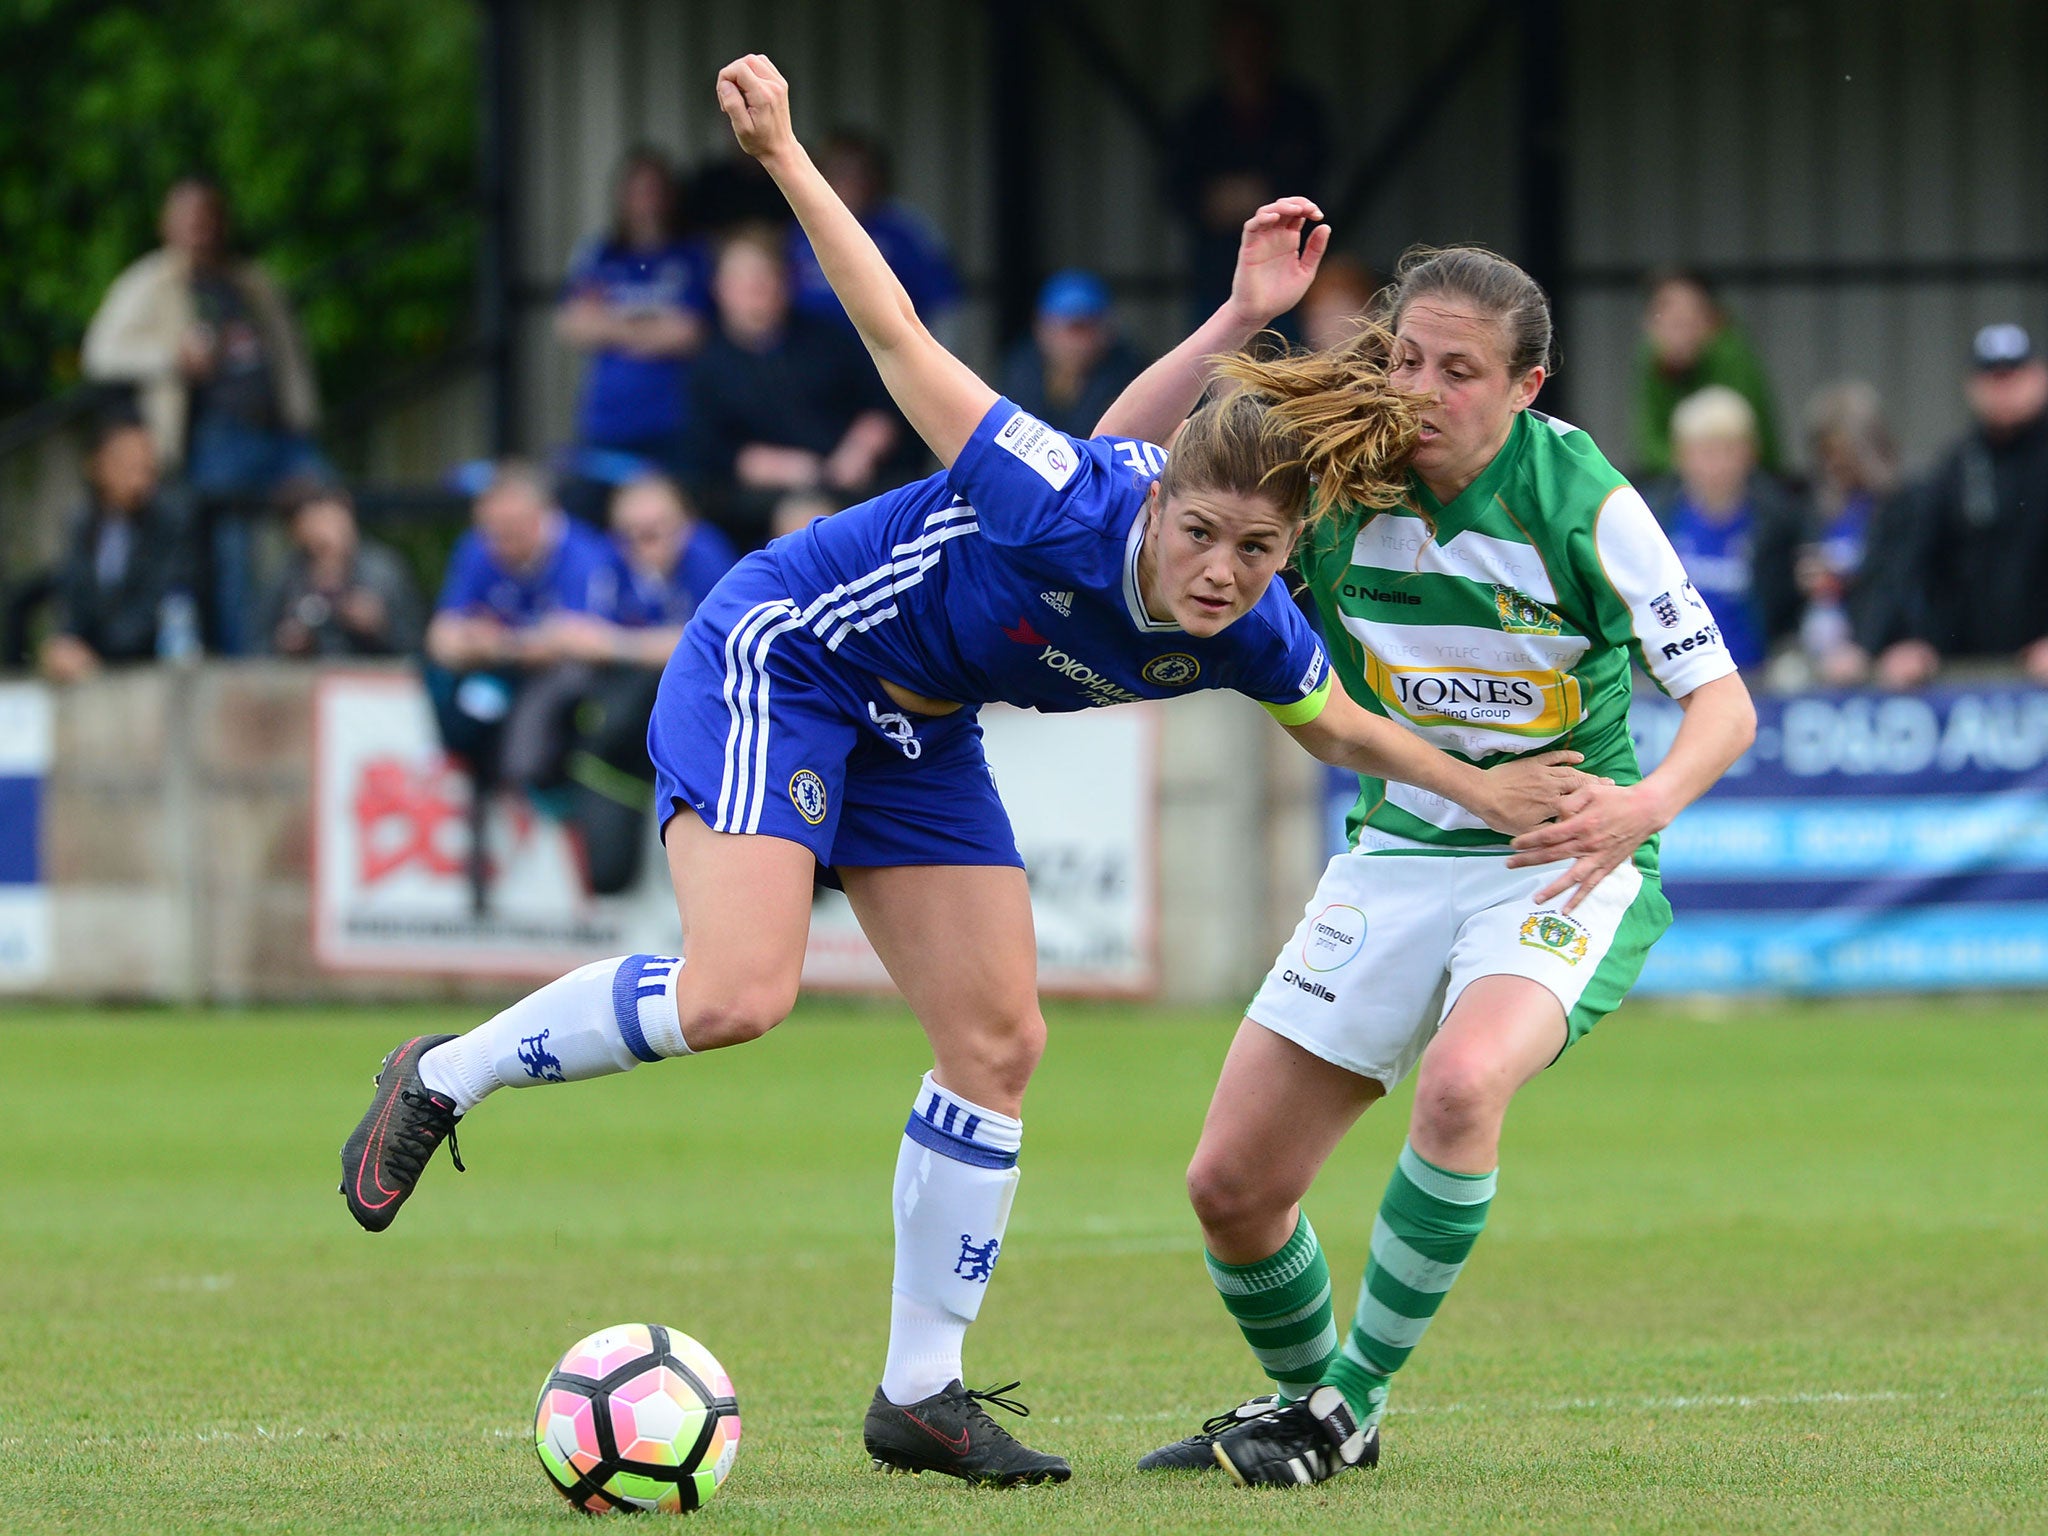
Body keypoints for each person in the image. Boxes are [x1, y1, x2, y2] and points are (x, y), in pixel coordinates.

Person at [338, 56, 1589, 1493]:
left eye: (1258, 555)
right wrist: (789, 156)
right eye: (1202, 539)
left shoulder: (1255, 626)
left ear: (1290, 552)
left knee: (999, 1043)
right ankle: (440, 1074)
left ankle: (918, 1395)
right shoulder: (1055, 495)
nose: (1221, 576)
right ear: (1162, 499)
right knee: (739, 993)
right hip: (788, 658)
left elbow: (1346, 733)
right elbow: (890, 329)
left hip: (915, 728)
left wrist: (1488, 792)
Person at [1118, 246, 1756, 1486]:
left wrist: (1640, 807)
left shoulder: (1580, 494)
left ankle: (1345, 1402)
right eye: (1404, 357)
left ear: (1527, 386)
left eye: (1458, 371)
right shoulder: (1337, 471)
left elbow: (1722, 706)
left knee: (1463, 1086)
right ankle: (1312, 1411)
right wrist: (1240, 318)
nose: (1420, 390)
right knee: (1230, 1186)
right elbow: (1133, 464)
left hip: (1558, 861)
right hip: (1400, 850)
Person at [81, 177, 329, 654]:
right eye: (188, 219)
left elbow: (288, 356)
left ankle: (334, 631)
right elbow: (101, 354)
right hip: (215, 436)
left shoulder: (251, 282)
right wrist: (172, 358)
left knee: (333, 510)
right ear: (167, 226)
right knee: (231, 549)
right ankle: (245, 655)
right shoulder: (149, 283)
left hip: (281, 436)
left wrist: (303, 416)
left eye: (208, 217)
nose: (200, 229)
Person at [552, 475, 739, 894]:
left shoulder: (708, 555)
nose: (643, 542)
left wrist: (619, 644)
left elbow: (709, 641)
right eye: (630, 533)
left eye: (656, 530)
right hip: (620, 749)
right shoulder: (607, 562)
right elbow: (570, 632)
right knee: (608, 876)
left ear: (685, 524)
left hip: (704, 735)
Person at [685, 228, 905, 547]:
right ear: (719, 289)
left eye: (764, 278)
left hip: (853, 484)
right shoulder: (707, 365)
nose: (756, 290)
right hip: (756, 506)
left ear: (785, 282)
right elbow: (705, 452)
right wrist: (779, 467)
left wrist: (860, 450)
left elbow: (884, 405)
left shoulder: (830, 340)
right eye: (743, 280)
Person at [1861, 323, 2048, 689]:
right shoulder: (1955, 468)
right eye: (1992, 378)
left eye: (2014, 376)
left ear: (2040, 377)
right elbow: (1915, 564)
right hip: (1967, 678)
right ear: (1972, 387)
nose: (2003, 388)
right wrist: (1909, 640)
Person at [423, 462, 615, 798]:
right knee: (450, 692)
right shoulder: (478, 547)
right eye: (490, 530)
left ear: (543, 518)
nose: (497, 543)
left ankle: (543, 792)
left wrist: (494, 642)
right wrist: (497, 644)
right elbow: (441, 639)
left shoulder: (585, 554)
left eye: (510, 530)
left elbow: (579, 642)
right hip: (501, 673)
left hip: (567, 685)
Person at [555, 147, 712, 520]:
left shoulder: (692, 255)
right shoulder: (599, 253)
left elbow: (690, 333)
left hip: (673, 420)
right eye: (637, 191)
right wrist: (651, 330)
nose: (646, 201)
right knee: (589, 519)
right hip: (607, 419)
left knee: (673, 519)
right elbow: (571, 325)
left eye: (655, 190)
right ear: (621, 196)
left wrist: (610, 326)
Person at [1164, 1, 1330, 332]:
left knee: (1288, 363)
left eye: (1255, 41)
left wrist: (1258, 194)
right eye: (1238, 42)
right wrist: (1215, 201)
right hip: (1216, 269)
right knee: (1215, 362)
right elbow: (1175, 187)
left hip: (1287, 261)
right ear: (1222, 48)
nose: (1246, 52)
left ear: (1272, 46)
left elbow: (1318, 173)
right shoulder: (1200, 115)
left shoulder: (1300, 110)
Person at [1645, 385, 1804, 672]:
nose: (1715, 466)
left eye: (1727, 451)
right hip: (1673, 678)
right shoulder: (1653, 515)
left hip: (1756, 675)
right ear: (1680, 455)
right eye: (1704, 453)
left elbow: (1788, 607)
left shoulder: (1778, 519)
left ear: (1750, 453)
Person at [39, 414, 199, 682]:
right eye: (127, 462)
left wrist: (99, 655)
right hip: (92, 666)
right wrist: (66, 644)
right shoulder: (82, 524)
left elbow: (164, 604)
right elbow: (73, 598)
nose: (139, 474)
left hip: (151, 666)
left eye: (145, 463)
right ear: (97, 465)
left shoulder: (173, 520)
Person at [786, 128, 962, 338]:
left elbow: (944, 306)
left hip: (887, 358)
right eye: (837, 171)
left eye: (859, 172)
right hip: (812, 359)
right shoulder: (797, 230)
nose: (849, 181)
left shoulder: (906, 231)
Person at [1787, 381, 1899, 686]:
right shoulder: (1813, 507)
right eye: (1827, 452)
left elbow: (1896, 585)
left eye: (1846, 452)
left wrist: (1865, 647)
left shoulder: (1900, 505)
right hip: (1821, 658)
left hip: (1880, 663)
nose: (1837, 464)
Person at [1631, 268, 1781, 481]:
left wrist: (1704, 461)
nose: (1679, 332)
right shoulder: (1651, 359)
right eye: (1670, 321)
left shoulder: (1731, 354)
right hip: (1679, 482)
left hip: (1750, 479)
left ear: (1711, 319)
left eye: (1688, 319)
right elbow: (1648, 444)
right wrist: (1691, 462)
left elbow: (1744, 440)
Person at [260, 483, 425, 659]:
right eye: (316, 523)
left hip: (371, 678)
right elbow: (253, 646)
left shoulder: (384, 571)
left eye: (332, 521)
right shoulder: (288, 575)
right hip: (304, 680)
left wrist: (379, 626)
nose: (326, 532)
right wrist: (286, 642)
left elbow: (417, 645)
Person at [996, 269, 1143, 440]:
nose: (1078, 343)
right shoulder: (1020, 371)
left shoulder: (1128, 375)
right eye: (1071, 329)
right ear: (1041, 329)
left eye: (1089, 328)